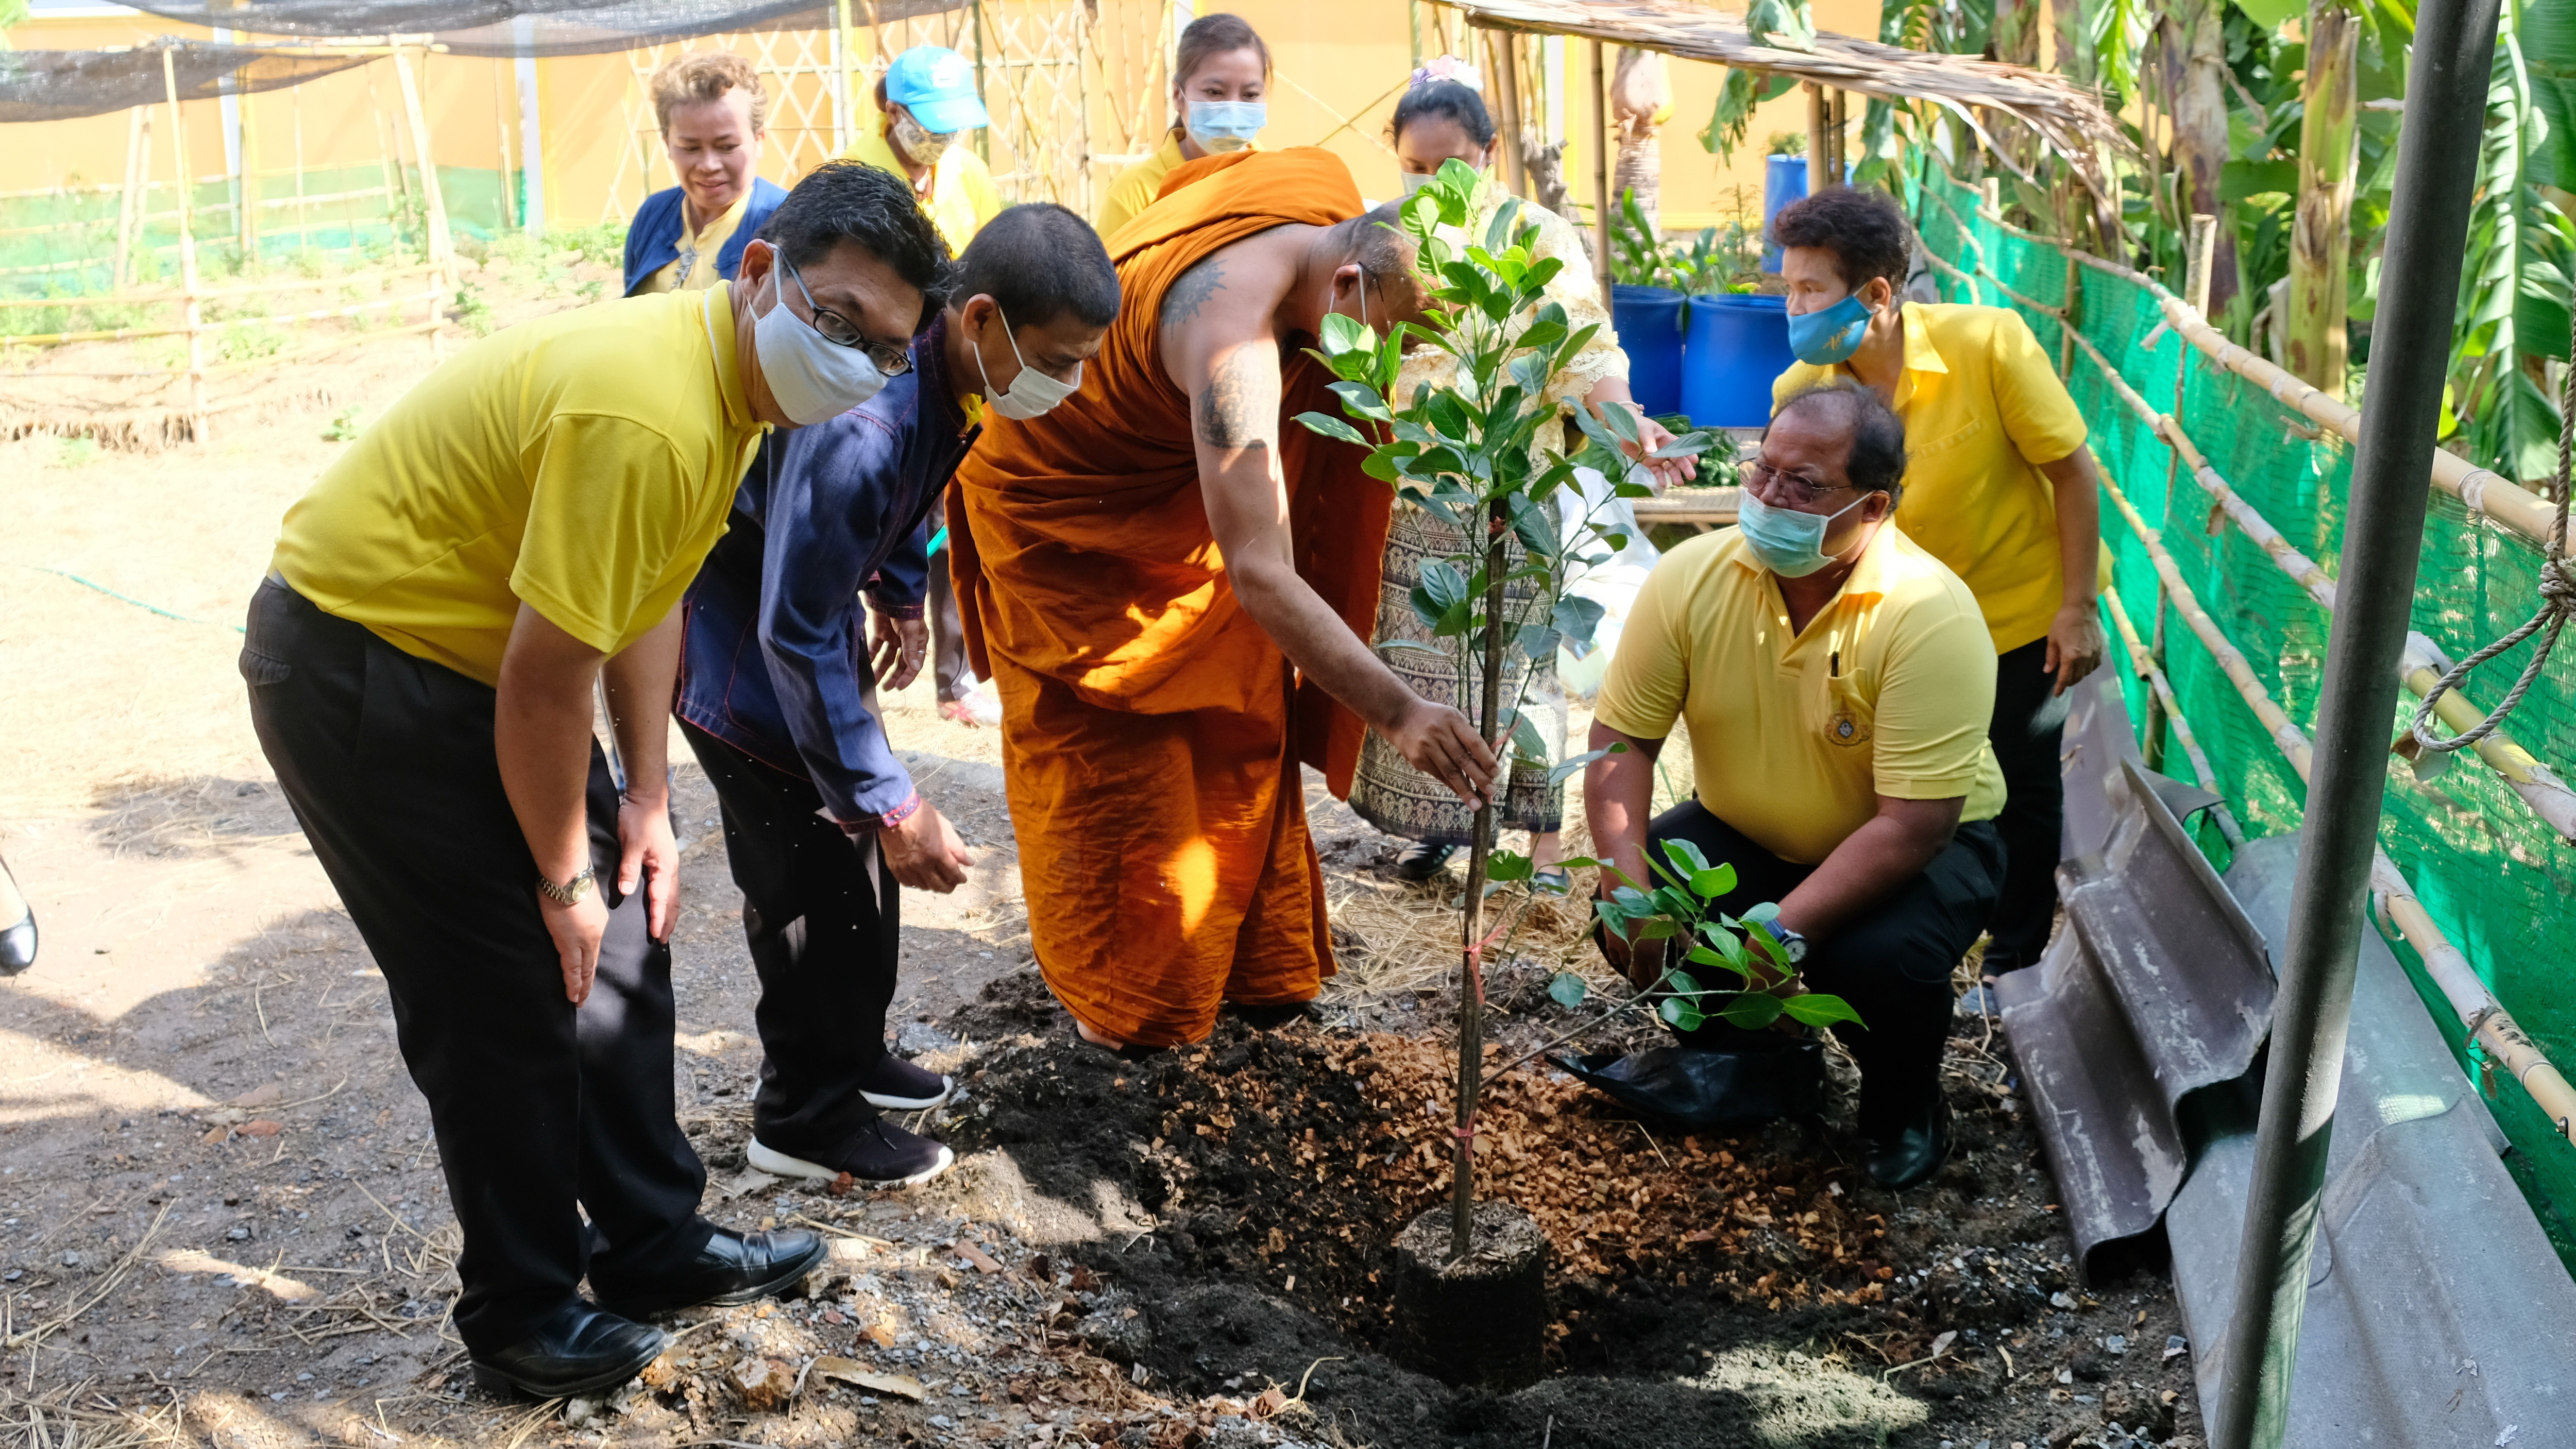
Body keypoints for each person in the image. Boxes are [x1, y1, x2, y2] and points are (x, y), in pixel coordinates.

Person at [244, 161, 950, 1400]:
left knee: (624, 942)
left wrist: (644, 804)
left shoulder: (729, 389)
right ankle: (521, 1307)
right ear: (759, 274)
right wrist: (563, 869)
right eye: (838, 318)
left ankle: (652, 1241)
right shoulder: (654, 409)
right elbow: (541, 680)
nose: (857, 359)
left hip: (483, 660)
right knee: (506, 986)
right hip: (365, 662)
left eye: (887, 349)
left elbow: (651, 589)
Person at [947, 147, 1499, 1050]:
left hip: (1185, 508)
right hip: (1070, 519)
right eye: (1395, 333)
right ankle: (1131, 1006)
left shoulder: (1314, 190)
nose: (1391, 363)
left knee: (1243, 719)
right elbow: (1263, 573)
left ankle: (1252, 966)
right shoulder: (1232, 343)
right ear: (1349, 280)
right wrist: (1399, 710)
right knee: (1128, 771)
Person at [675, 203, 1116, 1188]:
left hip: (800, 630)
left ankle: (855, 1058)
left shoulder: (944, 372)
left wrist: (895, 593)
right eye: (1059, 358)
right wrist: (891, 799)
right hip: (746, 659)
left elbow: (896, 511)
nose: (1071, 383)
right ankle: (803, 1115)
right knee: (812, 882)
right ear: (983, 319)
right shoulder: (870, 412)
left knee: (860, 876)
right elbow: (791, 623)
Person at [1586, 384, 2007, 1190]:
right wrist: (1625, 889)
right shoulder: (1690, 577)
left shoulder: (1928, 614)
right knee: (1653, 887)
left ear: (1874, 506)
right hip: (1750, 833)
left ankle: (1905, 1108)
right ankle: (1759, 1062)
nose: (1770, 496)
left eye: (1803, 485)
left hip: (1919, 853)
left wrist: (1783, 931)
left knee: (1874, 959)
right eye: (1762, 471)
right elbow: (1622, 741)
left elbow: (1915, 825)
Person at [1354, 72, 1695, 889]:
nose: (1436, 186)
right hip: (1416, 493)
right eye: (1417, 169)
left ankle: (1542, 847)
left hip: (1515, 490)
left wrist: (1631, 427)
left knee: (1521, 673)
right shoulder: (1382, 238)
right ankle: (1443, 830)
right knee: (1423, 669)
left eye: (1455, 166)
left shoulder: (1538, 237)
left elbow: (1587, 356)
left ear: (1491, 154)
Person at [1768, 187, 2105, 984]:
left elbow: (2073, 473)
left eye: (1811, 289)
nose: (1794, 305)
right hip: (1895, 634)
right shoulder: (1802, 395)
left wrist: (2076, 608)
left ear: (1877, 294)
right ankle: (1905, 941)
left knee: (2024, 787)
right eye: (1788, 287)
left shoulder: (1989, 344)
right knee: (1895, 795)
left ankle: (2013, 964)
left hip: (2020, 619)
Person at [840, 44, 1008, 728]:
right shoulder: (854, 177)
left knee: (957, 526)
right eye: (926, 121)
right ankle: (857, 661)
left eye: (952, 123)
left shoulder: (967, 174)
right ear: (891, 109)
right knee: (887, 515)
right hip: (879, 381)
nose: (939, 138)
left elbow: (990, 262)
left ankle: (956, 675)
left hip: (956, 378)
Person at [1092, 12, 1268, 240]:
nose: (1233, 109)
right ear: (1178, 95)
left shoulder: (1278, 181)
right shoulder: (1135, 193)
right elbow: (1109, 274)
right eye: (1215, 92)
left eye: (1250, 95)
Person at [624, 53, 787, 297]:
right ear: (667, 143)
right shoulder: (654, 214)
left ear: (758, 140)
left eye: (727, 146)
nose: (709, 165)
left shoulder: (787, 224)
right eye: (691, 148)